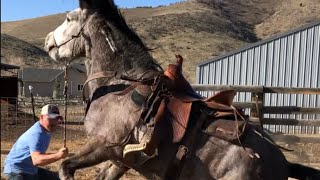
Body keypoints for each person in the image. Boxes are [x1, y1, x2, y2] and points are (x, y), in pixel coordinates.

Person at [4, 104, 69, 180]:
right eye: (51, 118)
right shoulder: (37, 133)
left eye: (57, 118)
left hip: (29, 169)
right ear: (41, 117)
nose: (54, 122)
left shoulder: (46, 131)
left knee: (59, 178)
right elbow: (37, 160)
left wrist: (58, 154)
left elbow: (39, 155)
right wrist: (58, 155)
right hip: (16, 170)